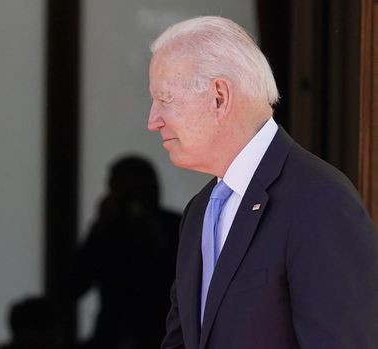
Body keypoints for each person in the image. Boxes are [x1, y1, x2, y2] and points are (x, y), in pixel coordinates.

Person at [147, 16, 378, 349]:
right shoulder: (200, 210)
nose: (153, 121)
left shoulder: (319, 201)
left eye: (164, 99)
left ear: (219, 97)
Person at [72, 156, 181, 349]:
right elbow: (74, 284)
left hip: (162, 332)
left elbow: (185, 283)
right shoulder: (107, 231)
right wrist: (100, 230)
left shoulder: (175, 227)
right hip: (112, 334)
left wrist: (156, 242)